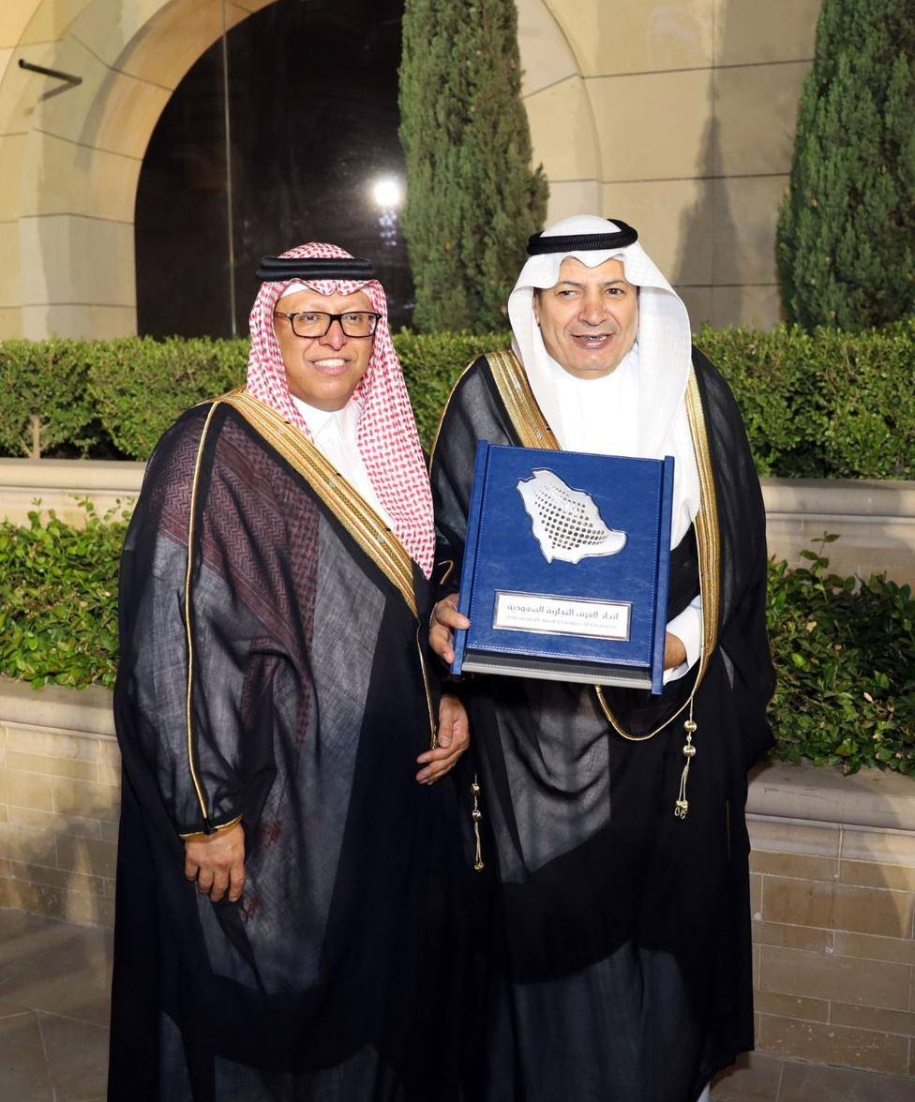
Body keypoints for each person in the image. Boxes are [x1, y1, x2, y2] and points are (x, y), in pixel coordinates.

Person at [109, 243, 470, 1102]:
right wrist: (206, 813)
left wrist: (450, 690)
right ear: (269, 330)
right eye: (307, 317)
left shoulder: (389, 444)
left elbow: (402, 602)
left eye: (354, 317)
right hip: (276, 803)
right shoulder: (214, 444)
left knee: (377, 998)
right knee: (266, 1013)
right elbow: (174, 635)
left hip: (385, 787)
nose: (333, 337)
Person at [429, 216, 775, 1102]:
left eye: (613, 290)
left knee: (665, 932)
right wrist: (441, 614)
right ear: (535, 305)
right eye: (568, 292)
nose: (592, 312)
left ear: (640, 299)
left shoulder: (693, 391)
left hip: (670, 723)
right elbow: (444, 550)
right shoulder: (488, 395)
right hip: (525, 738)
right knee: (538, 933)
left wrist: (681, 642)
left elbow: (735, 552)